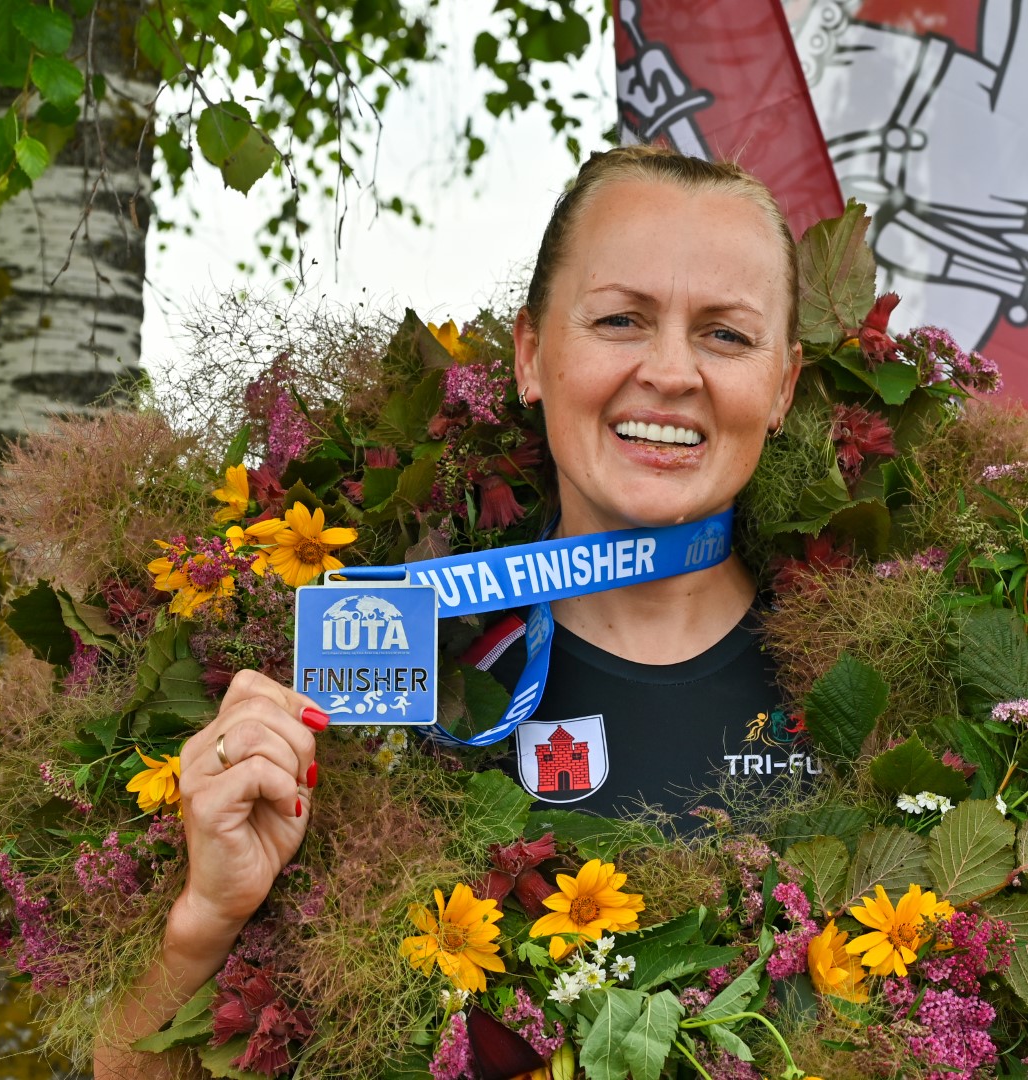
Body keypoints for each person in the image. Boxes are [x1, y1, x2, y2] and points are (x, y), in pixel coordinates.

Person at [95, 145, 806, 1077]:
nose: (671, 372)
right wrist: (208, 917)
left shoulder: (884, 699)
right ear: (530, 355)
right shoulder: (383, 694)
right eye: (620, 319)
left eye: (726, 335)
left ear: (783, 386)